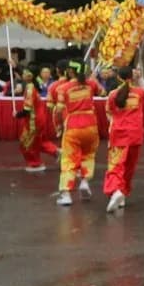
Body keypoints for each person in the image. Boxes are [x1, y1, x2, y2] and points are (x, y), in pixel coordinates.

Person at [53, 61, 102, 207]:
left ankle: (66, 193)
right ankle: (85, 181)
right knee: (88, 155)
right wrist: (93, 79)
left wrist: (58, 126)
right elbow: (102, 91)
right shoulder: (91, 84)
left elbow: (59, 110)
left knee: (69, 160)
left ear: (70, 71)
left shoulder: (63, 88)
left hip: (73, 125)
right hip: (91, 125)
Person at [104, 65, 144, 213]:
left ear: (118, 77)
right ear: (131, 76)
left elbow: (109, 114)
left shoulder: (112, 95)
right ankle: (122, 193)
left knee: (116, 166)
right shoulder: (139, 93)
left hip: (119, 135)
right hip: (135, 135)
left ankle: (116, 191)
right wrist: (140, 78)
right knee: (129, 166)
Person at [18, 69, 58, 173]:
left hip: (33, 121)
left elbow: (27, 108)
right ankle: (56, 152)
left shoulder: (30, 89)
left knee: (26, 143)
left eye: (23, 74)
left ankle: (35, 164)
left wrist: (18, 114)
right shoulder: (31, 86)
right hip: (39, 118)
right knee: (38, 141)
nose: (22, 75)